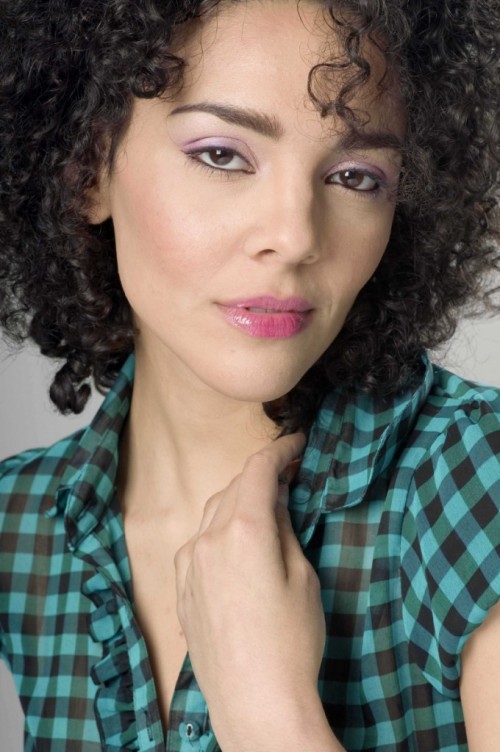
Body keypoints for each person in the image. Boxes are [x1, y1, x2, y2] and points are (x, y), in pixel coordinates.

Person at [0, 0, 499, 750]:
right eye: (222, 155)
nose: (295, 235)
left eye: (355, 176)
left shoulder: (473, 483)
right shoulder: (20, 529)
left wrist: (267, 710)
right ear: (87, 167)